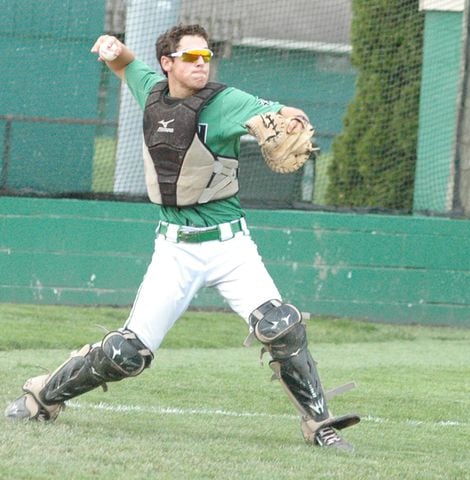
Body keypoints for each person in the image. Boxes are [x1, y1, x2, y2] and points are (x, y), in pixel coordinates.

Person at [4, 24, 359, 451]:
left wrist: (294, 121)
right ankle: (43, 396)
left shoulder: (227, 102)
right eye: (190, 58)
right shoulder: (153, 90)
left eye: (206, 57)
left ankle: (319, 423)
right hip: (174, 249)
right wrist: (112, 48)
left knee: (280, 326)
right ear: (168, 64)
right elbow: (127, 66)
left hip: (229, 247)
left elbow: (287, 113)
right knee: (125, 353)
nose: (200, 64)